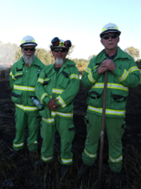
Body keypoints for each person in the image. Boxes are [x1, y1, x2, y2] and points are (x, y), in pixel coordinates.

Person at [79, 23, 141, 180]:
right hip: (94, 112)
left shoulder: (127, 60)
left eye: (113, 36)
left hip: (115, 113)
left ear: (118, 39)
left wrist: (115, 68)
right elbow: (85, 82)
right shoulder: (94, 61)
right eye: (106, 37)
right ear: (102, 41)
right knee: (91, 140)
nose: (110, 39)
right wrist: (98, 71)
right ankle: (87, 164)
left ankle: (115, 171)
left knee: (115, 143)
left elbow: (134, 81)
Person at [34, 37, 80, 176]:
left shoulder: (72, 69)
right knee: (46, 137)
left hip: (64, 112)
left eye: (63, 51)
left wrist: (58, 102)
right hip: (47, 112)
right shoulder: (46, 70)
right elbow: (38, 87)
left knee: (66, 139)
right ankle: (46, 160)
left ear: (66, 53)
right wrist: (47, 100)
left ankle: (66, 163)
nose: (59, 53)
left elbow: (73, 88)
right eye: (56, 50)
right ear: (51, 52)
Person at [9, 35, 45, 158]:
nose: (29, 51)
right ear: (22, 49)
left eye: (31, 49)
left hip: (33, 107)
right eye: (26, 49)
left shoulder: (42, 67)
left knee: (33, 130)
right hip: (19, 105)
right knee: (19, 129)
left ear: (35, 50)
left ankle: (32, 150)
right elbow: (11, 82)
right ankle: (17, 149)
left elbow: (45, 86)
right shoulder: (16, 66)